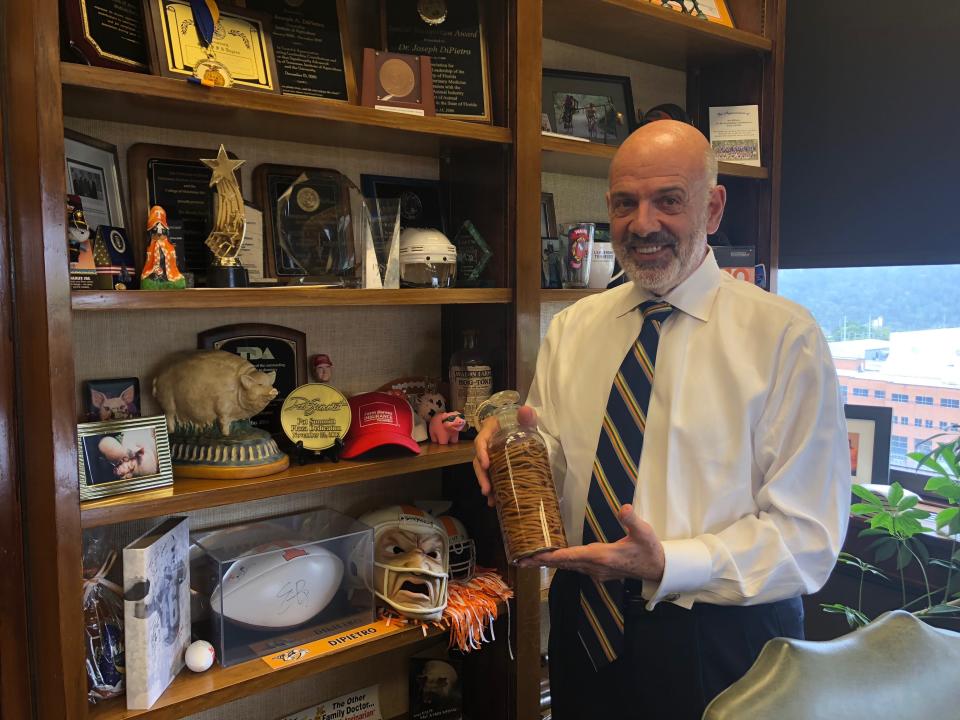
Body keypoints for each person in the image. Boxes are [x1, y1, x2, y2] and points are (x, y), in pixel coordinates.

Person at [473, 120, 850, 719]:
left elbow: (809, 539)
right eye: (626, 203)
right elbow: (559, 456)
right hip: (584, 621)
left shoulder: (785, 337)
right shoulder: (574, 327)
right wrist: (511, 444)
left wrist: (670, 563)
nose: (643, 223)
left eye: (668, 201)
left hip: (722, 637)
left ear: (714, 206)